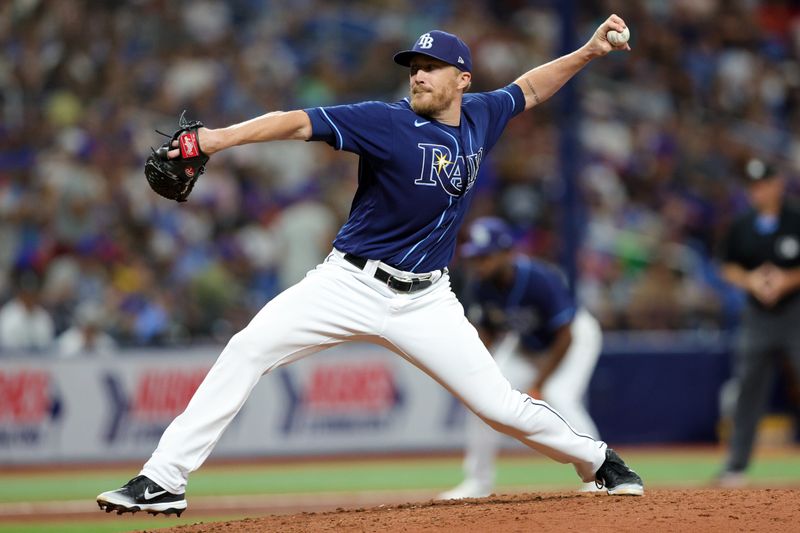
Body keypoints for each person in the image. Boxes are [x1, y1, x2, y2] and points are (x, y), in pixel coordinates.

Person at [97, 15, 643, 517]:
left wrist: (588, 51)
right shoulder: (384, 122)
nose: (419, 76)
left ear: (463, 80)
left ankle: (599, 462)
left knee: (499, 406)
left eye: (432, 68)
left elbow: (529, 88)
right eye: (414, 67)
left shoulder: (482, 115)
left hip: (427, 299)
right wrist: (216, 139)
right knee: (247, 348)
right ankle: (164, 479)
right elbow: (295, 122)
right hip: (349, 282)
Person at [439, 217, 603, 499]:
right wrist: (474, 373)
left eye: (486, 256)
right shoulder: (480, 286)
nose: (479, 264)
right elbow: (487, 335)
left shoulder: (538, 278)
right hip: (527, 345)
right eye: (475, 258)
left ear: (507, 253)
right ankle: (478, 481)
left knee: (559, 394)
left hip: (573, 338)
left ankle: (601, 473)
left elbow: (565, 334)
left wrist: (539, 382)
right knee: (483, 396)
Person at [717, 158, 800, 487]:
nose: (757, 191)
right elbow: (727, 265)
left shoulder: (796, 218)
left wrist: (786, 280)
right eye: (752, 185)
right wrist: (751, 280)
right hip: (757, 318)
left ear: (777, 184)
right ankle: (736, 465)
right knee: (748, 390)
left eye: (763, 184)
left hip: (796, 314)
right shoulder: (742, 224)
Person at [0, 269, 55, 354]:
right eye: (26, 293)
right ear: (20, 293)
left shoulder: (43, 316)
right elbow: (6, 345)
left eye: (33, 293)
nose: (30, 297)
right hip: (12, 360)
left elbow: (47, 344)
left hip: (39, 361)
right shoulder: (7, 315)